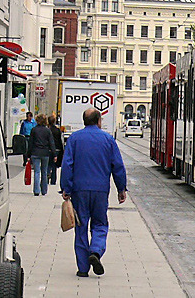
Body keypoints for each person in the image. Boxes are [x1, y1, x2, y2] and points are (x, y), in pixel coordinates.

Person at [61, 108, 127, 278]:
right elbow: (117, 165)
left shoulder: (74, 139)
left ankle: (83, 268)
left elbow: (67, 164)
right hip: (100, 190)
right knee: (100, 224)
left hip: (79, 190)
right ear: (99, 120)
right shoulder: (108, 139)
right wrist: (121, 188)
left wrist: (66, 188)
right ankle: (96, 251)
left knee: (81, 226)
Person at [25, 114, 57, 197]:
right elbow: (51, 143)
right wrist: (54, 154)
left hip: (35, 153)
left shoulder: (34, 130)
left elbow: (30, 143)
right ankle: (44, 190)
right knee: (44, 171)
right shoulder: (48, 131)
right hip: (45, 153)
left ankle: (36, 190)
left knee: (36, 171)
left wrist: (28, 155)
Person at [48, 113, 64, 186]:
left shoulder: (48, 130)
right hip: (57, 149)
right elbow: (61, 140)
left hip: (48, 149)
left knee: (48, 165)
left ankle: (47, 177)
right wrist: (61, 149)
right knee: (54, 166)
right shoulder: (57, 130)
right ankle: (53, 181)